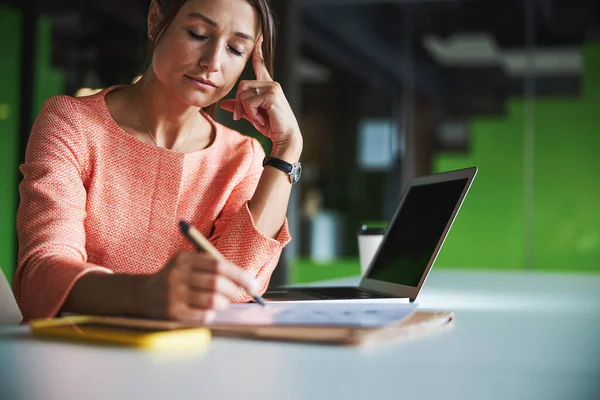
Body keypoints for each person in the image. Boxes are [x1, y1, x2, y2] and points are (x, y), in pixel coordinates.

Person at [14, 0, 303, 322]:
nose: (213, 62)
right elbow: (42, 277)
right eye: (197, 34)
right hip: (78, 352)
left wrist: (287, 149)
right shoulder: (73, 122)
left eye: (235, 49)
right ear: (155, 20)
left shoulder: (242, 157)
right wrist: (146, 294)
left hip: (188, 356)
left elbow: (238, 288)